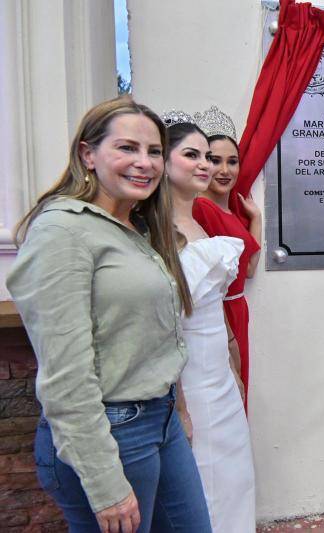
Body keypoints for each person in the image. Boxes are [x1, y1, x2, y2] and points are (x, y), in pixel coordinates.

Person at [6, 96, 211, 533]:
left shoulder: (134, 227)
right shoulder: (63, 231)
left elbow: (155, 334)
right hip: (112, 432)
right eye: (127, 148)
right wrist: (103, 483)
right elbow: (65, 377)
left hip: (161, 420)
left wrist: (178, 408)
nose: (145, 163)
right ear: (88, 154)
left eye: (154, 151)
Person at [162, 115, 256, 532]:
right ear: (163, 161)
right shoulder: (156, 229)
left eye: (207, 156)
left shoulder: (200, 222)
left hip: (218, 371)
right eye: (192, 155)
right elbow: (165, 322)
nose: (205, 164)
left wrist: (232, 366)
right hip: (190, 375)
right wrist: (178, 403)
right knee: (203, 479)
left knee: (234, 475)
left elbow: (216, 303)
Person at [191, 107, 262, 407]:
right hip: (221, 315)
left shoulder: (230, 209)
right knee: (228, 394)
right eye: (214, 160)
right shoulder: (201, 209)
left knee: (240, 392)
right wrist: (229, 339)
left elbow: (249, 269)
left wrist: (255, 219)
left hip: (238, 310)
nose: (224, 170)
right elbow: (208, 283)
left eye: (232, 162)